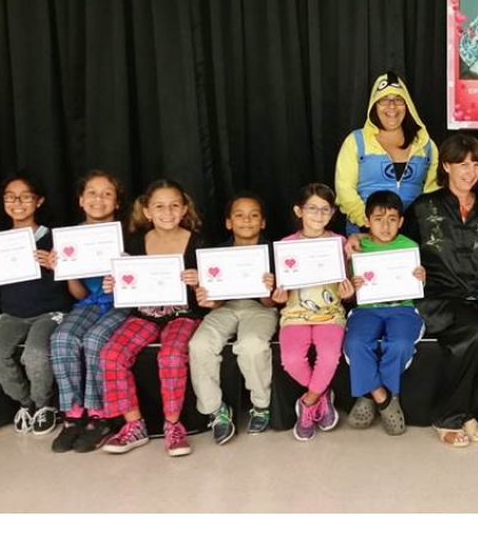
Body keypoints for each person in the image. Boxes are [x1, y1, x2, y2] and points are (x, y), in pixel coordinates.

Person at [401, 133, 478, 448]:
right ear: (446, 166)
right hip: (440, 296)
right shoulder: (423, 207)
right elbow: (397, 245)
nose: (470, 171)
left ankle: (467, 410)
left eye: (476, 164)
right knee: (477, 332)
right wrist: (360, 241)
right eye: (462, 164)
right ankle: (447, 416)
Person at [0, 171, 76, 437]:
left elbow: (71, 285)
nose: (17, 203)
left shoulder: (54, 239)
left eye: (25, 197)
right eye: (10, 197)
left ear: (39, 201)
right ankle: (26, 402)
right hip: (12, 314)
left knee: (35, 354)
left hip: (50, 312)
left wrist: (55, 267)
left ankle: (45, 405)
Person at [99, 179, 207, 457]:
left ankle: (173, 425)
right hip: (144, 314)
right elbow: (128, 281)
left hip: (183, 315)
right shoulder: (137, 243)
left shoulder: (198, 243)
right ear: (147, 211)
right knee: (111, 355)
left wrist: (199, 281)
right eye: (159, 206)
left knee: (171, 356)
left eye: (174, 205)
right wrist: (114, 284)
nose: (167, 212)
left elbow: (211, 292)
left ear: (184, 209)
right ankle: (134, 425)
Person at [48, 170, 131, 453]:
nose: (99, 199)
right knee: (62, 338)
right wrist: (66, 270)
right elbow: (80, 295)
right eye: (92, 193)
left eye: (107, 194)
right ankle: (73, 415)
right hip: (89, 303)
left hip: (122, 305)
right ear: (81, 200)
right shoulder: (70, 241)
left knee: (95, 340)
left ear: (117, 202)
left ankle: (100, 416)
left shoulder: (129, 236)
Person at [188, 193, 278, 447]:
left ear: (263, 222)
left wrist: (269, 292)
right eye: (239, 215)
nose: (246, 220)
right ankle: (216, 410)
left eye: (254, 215)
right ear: (229, 222)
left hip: (259, 308)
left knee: (252, 345)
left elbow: (271, 303)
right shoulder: (216, 255)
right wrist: (207, 299)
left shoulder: (273, 253)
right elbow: (214, 301)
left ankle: (261, 405)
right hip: (224, 308)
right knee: (199, 344)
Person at [270, 183, 355, 442]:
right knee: (291, 360)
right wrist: (278, 297)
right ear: (299, 211)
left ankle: (308, 402)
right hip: (294, 315)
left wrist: (348, 294)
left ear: (332, 213)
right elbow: (280, 289)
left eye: (325, 209)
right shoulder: (286, 245)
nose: (319, 214)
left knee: (329, 356)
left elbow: (347, 284)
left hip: (331, 314)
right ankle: (322, 394)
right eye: (312, 208)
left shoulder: (340, 243)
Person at [344, 191, 426, 436]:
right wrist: (352, 287)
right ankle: (384, 399)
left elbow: (417, 285)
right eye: (378, 219)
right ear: (367, 221)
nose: (385, 226)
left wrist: (421, 278)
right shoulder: (357, 248)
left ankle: (369, 395)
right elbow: (348, 294)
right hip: (366, 309)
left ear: (401, 222)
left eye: (392, 219)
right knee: (356, 342)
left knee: (400, 344)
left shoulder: (410, 247)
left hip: (402, 308)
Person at [335, 71, 439, 234]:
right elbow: (344, 190)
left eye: (398, 99)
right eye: (384, 100)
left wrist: (418, 224)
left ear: (407, 105)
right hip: (365, 233)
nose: (392, 106)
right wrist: (367, 222)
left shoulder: (425, 144)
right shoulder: (356, 141)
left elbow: (433, 191)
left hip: (412, 234)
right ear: (374, 105)